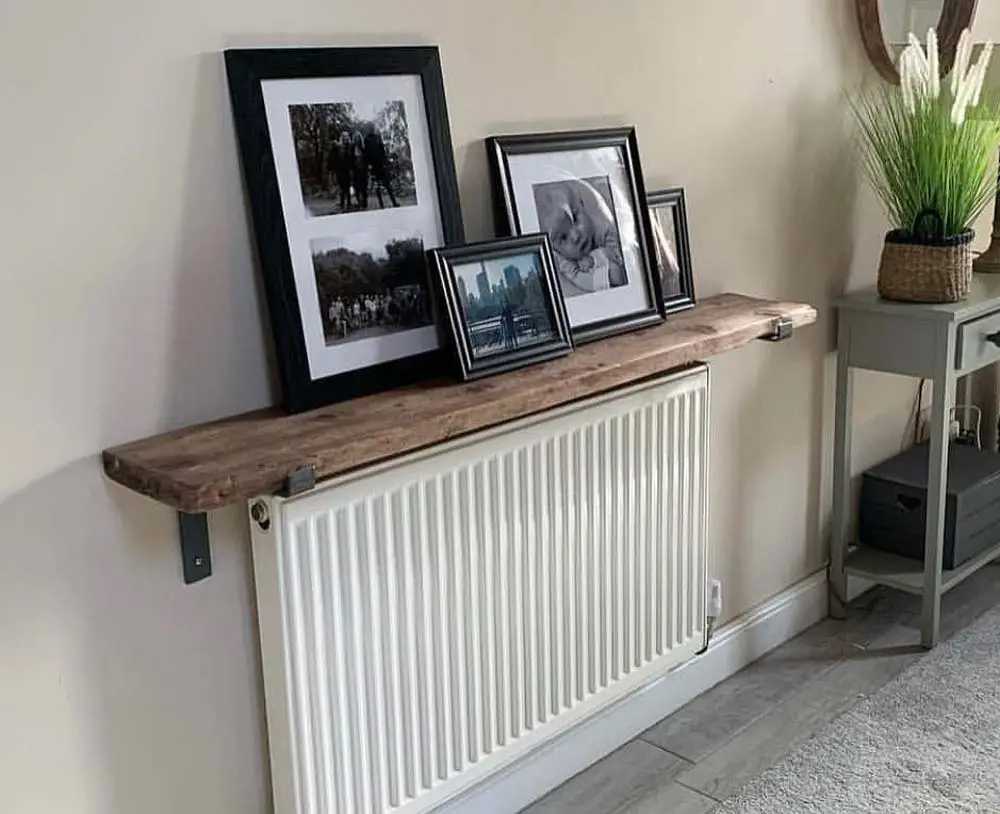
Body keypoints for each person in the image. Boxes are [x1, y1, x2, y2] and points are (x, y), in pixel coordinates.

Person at [536, 180, 627, 298]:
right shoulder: (566, 263)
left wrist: (602, 253)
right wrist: (610, 270)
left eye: (575, 218)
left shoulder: (600, 224)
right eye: (563, 237)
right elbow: (580, 278)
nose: (576, 236)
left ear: (582, 206)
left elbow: (620, 245)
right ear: (554, 249)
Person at [363, 124, 399, 208]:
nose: (371, 129)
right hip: (373, 166)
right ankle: (381, 204)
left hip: (381, 165)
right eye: (370, 128)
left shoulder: (378, 137)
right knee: (377, 186)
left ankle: (394, 202)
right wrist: (368, 165)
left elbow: (382, 150)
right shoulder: (366, 139)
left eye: (372, 128)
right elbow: (366, 154)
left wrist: (385, 162)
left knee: (387, 185)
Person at [335, 131, 355, 213]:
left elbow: (352, 159)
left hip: (348, 169)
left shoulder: (351, 146)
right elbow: (336, 159)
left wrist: (352, 169)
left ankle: (349, 203)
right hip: (340, 170)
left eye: (346, 136)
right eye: (343, 137)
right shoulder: (338, 147)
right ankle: (342, 203)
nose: (345, 138)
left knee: (348, 187)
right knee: (342, 187)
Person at [352, 129, 369, 209]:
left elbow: (367, 158)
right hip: (356, 171)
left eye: (358, 137)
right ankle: (359, 202)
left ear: (360, 138)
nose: (357, 139)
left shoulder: (364, 148)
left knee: (364, 188)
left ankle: (365, 203)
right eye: (355, 138)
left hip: (363, 170)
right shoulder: (352, 148)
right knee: (357, 188)